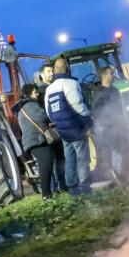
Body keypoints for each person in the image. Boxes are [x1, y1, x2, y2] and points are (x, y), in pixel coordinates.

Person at [45, 58, 93, 194]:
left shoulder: (49, 88)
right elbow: (77, 105)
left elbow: (49, 113)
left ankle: (72, 187)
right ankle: (85, 187)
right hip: (76, 128)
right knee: (82, 158)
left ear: (55, 70)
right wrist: (89, 119)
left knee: (69, 159)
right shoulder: (70, 83)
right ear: (67, 68)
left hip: (62, 130)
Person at [14, 84, 67, 199]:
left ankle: (52, 192)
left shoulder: (25, 106)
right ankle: (46, 195)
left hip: (36, 141)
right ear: (28, 94)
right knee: (45, 167)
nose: (37, 94)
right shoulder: (30, 106)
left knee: (46, 167)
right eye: (34, 92)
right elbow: (44, 116)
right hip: (38, 141)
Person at [92, 65, 128, 178]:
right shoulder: (99, 93)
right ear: (104, 76)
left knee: (119, 149)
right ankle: (117, 174)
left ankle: (118, 173)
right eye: (111, 74)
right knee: (115, 150)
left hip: (116, 124)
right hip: (107, 126)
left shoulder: (115, 90)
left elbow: (119, 108)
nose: (114, 76)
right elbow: (96, 112)